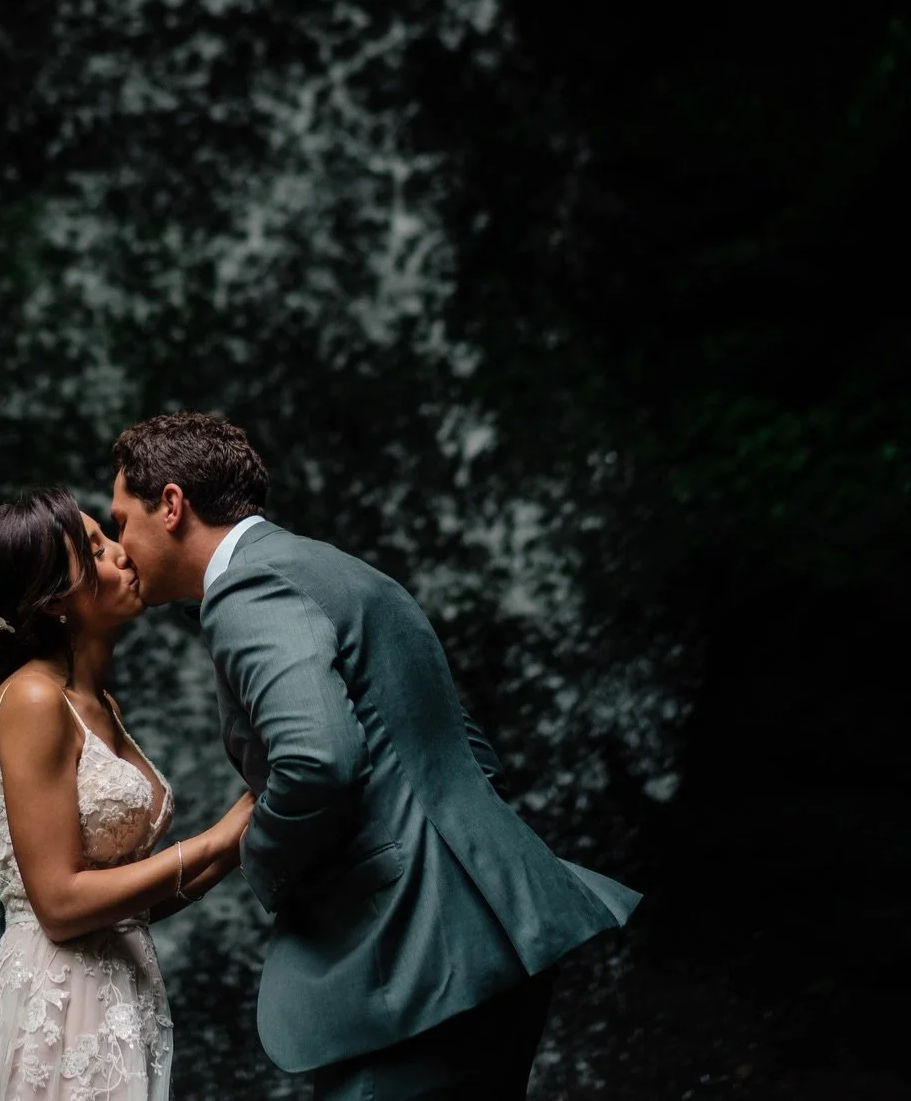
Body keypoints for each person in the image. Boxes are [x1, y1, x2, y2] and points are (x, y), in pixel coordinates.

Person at [109, 413, 642, 1101]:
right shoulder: (336, 568)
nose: (119, 547)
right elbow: (473, 751)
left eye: (121, 521)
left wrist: (261, 857)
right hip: (503, 929)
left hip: (415, 956)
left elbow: (319, 759)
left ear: (172, 504)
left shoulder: (247, 590)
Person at [0, 486, 252, 1101]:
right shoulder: (34, 699)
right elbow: (60, 904)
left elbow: (123, 904)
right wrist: (215, 839)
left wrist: (244, 833)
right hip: (59, 1003)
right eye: (96, 550)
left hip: (119, 998)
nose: (123, 552)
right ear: (54, 602)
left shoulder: (99, 702)